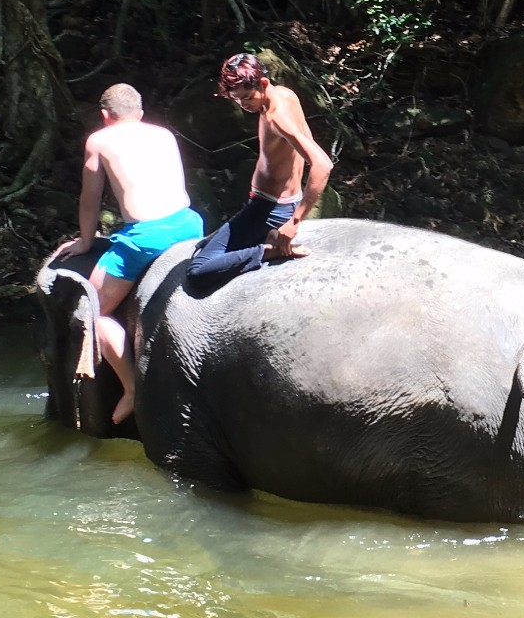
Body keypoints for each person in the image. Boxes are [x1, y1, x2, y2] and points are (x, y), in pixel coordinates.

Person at [48, 84, 202, 423]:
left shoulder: (99, 141)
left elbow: (90, 199)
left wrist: (85, 243)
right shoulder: (163, 134)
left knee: (92, 308)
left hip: (146, 236)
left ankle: (132, 390)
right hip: (190, 224)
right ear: (140, 112)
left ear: (105, 116)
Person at [187, 53, 334, 287]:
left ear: (263, 83)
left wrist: (295, 221)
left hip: (267, 209)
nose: (243, 104)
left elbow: (322, 164)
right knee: (205, 244)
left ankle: (269, 250)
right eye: (236, 100)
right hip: (274, 203)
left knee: (198, 269)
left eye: (247, 97)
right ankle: (268, 237)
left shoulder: (277, 118)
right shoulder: (286, 95)